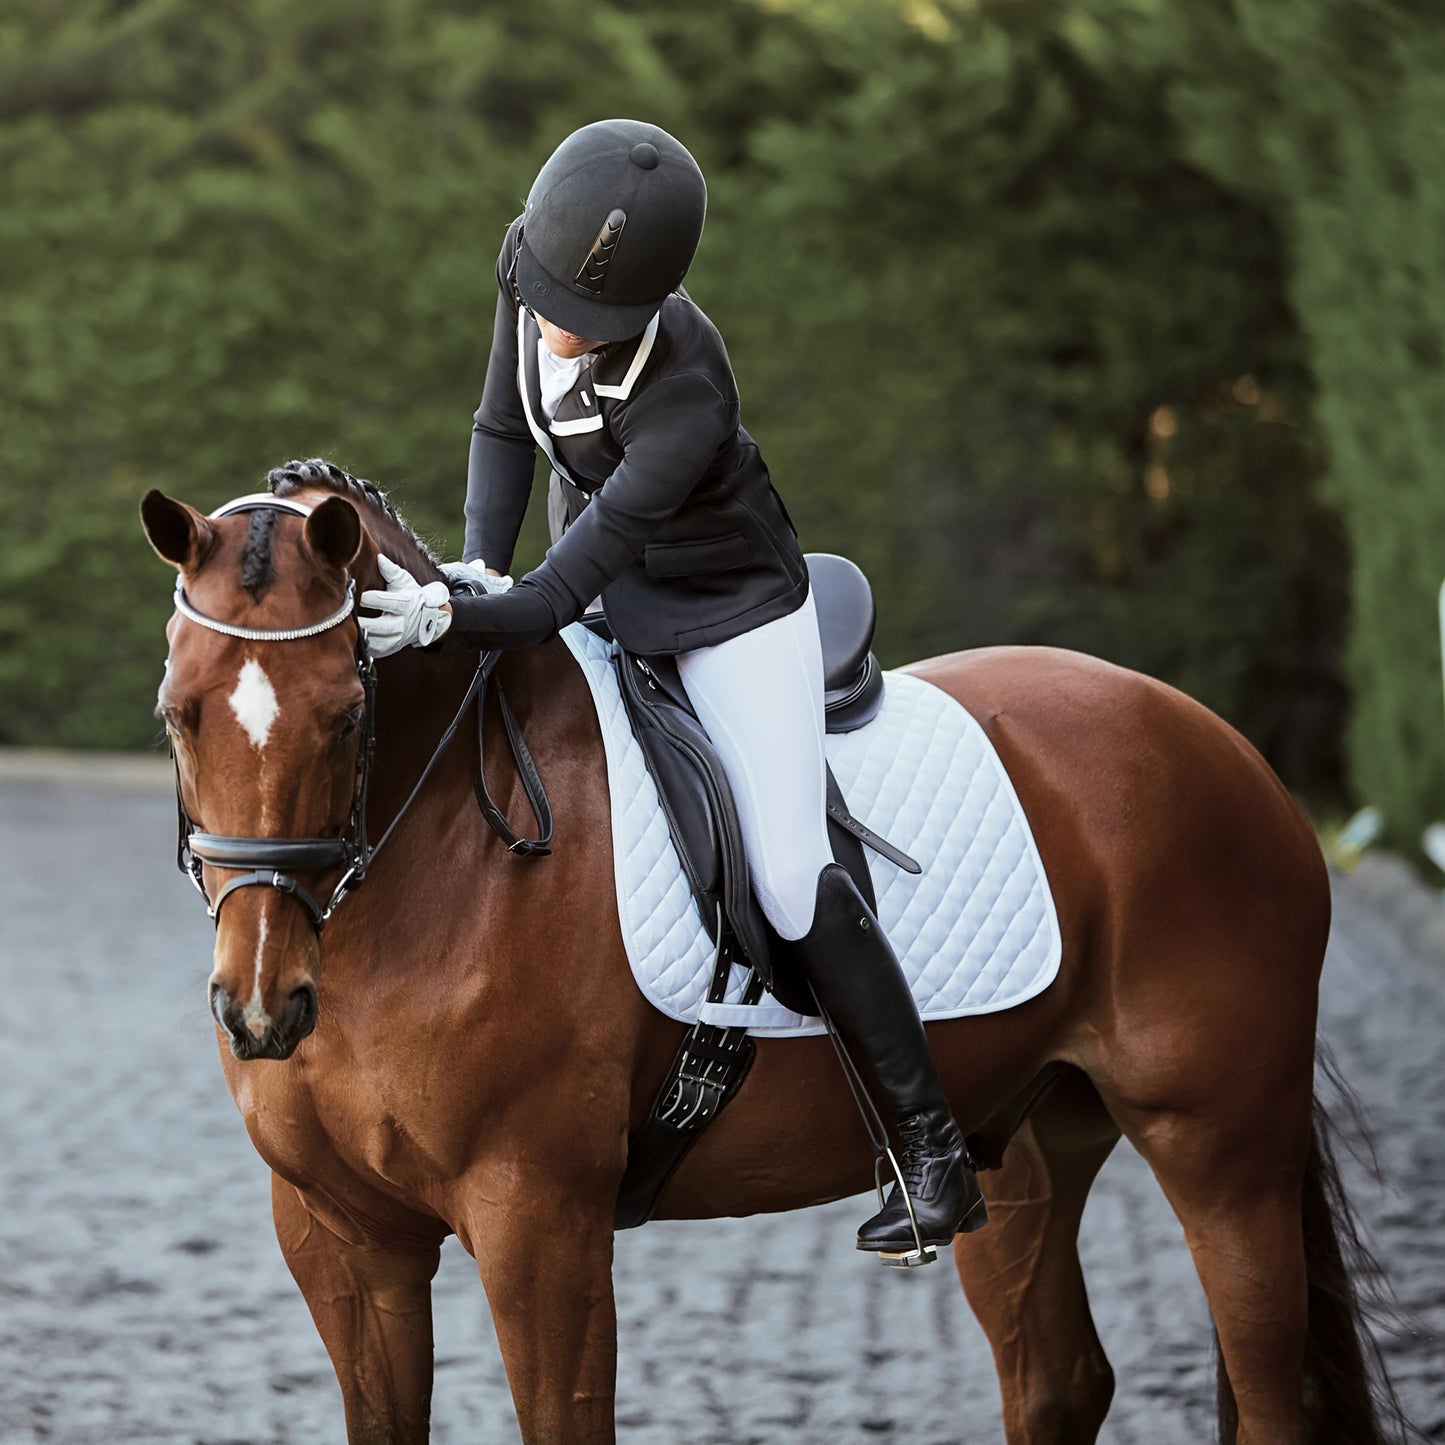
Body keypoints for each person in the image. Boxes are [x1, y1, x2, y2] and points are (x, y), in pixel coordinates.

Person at [359, 118, 987, 1257]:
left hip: (727, 612)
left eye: (581, 320)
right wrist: (471, 563)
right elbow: (501, 427)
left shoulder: (685, 389)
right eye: (548, 300)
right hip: (604, 587)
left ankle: (930, 1144)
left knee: (792, 872)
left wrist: (457, 614)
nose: (554, 327)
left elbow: (555, 598)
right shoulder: (530, 273)